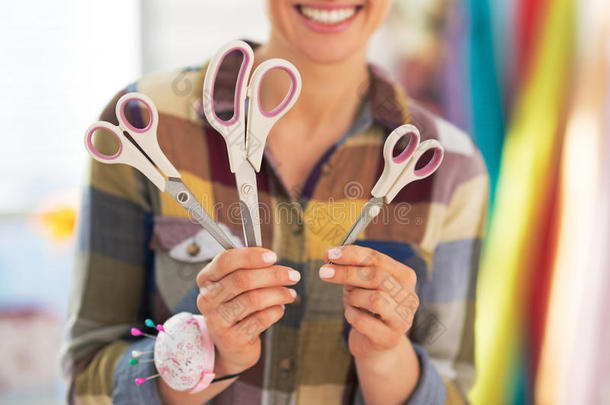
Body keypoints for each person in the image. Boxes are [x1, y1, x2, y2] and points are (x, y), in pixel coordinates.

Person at [61, 1, 488, 404]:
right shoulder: (142, 125)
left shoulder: (451, 166)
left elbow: (454, 391)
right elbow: (87, 384)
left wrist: (386, 357)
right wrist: (205, 354)